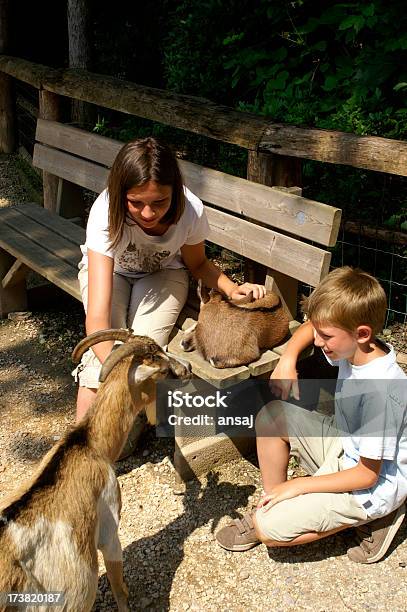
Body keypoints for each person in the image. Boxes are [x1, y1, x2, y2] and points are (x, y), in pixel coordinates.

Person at [216, 266, 407, 563]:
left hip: (372, 484)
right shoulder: (356, 346)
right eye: (318, 330)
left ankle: (375, 519)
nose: (317, 341)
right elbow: (313, 326)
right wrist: (288, 358)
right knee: (271, 416)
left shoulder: (379, 392)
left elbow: (367, 474)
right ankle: (274, 502)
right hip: (347, 449)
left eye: (326, 335)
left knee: (268, 530)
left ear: (362, 333)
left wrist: (298, 485)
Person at [72, 136, 265, 424]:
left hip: (164, 274)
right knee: (105, 342)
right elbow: (98, 318)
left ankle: (126, 419)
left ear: (174, 191)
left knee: (147, 346)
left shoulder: (190, 209)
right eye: (136, 203)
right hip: (111, 272)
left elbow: (197, 263)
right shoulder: (105, 209)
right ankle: (85, 438)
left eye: (159, 202)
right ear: (120, 193)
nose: (148, 213)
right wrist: (114, 369)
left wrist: (231, 288)